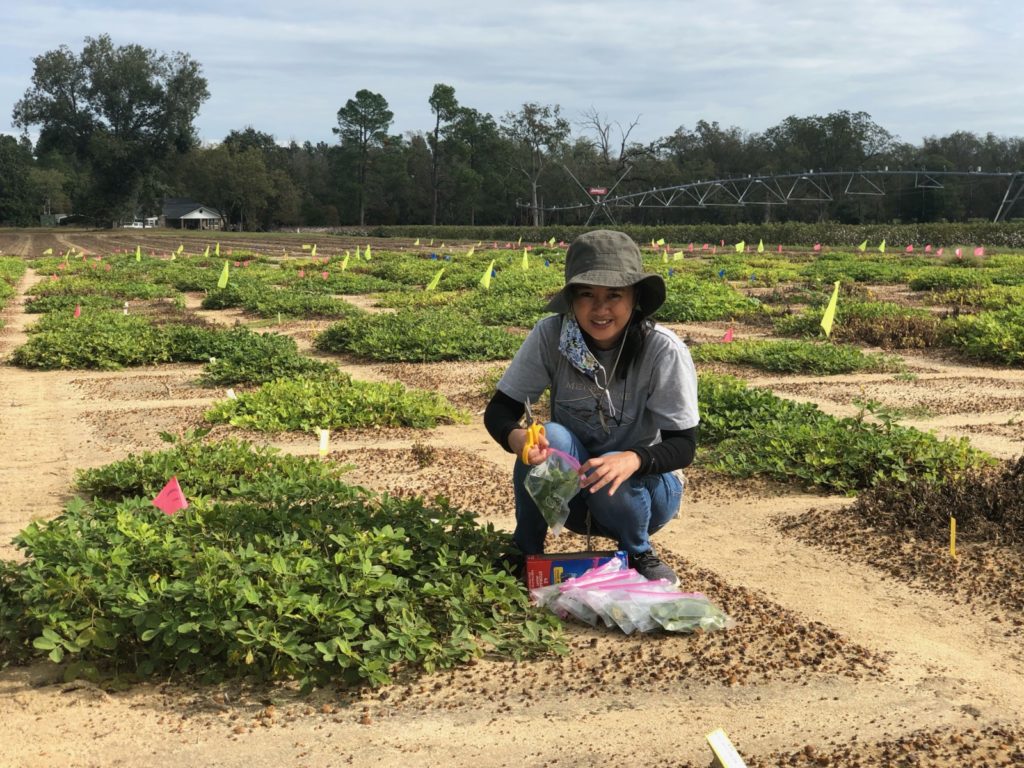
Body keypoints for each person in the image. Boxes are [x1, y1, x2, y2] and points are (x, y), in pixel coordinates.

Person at [484, 229, 699, 585]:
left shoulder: (663, 350)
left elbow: (684, 445)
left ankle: (638, 551)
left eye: (614, 295)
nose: (600, 309)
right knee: (548, 437)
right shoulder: (551, 336)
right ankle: (525, 551)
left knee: (616, 467)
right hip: (574, 496)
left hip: (646, 492)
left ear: (635, 298)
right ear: (572, 299)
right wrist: (518, 439)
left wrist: (632, 459)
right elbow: (499, 412)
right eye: (587, 295)